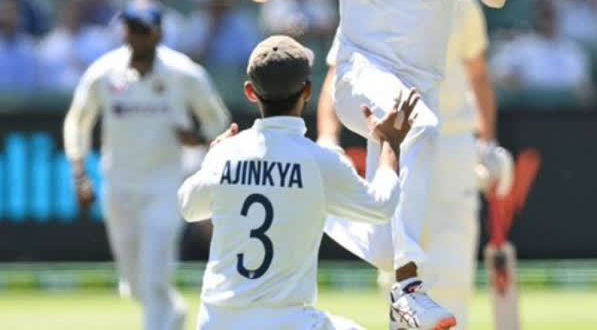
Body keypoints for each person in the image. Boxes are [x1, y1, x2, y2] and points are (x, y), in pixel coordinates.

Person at [241, 0, 507, 328]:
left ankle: (329, 207)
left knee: (387, 235)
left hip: (417, 88)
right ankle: (407, 291)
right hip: (359, 78)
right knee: (425, 125)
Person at [179, 35, 418, 330]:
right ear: (308, 90)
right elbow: (382, 206)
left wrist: (213, 157)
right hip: (289, 321)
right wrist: (390, 144)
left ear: (250, 93)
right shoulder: (320, 161)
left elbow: (188, 207)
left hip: (216, 320)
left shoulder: (226, 152)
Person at [317, 0, 515, 329]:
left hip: (453, 144)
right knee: (394, 259)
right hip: (396, 145)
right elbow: (338, 73)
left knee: (452, 261)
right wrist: (327, 138)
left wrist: (488, 142)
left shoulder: (461, 1)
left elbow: (477, 74)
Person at [63, 0, 231, 330]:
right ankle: (173, 311)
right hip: (119, 185)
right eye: (130, 29)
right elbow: (77, 122)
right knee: (134, 286)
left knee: (155, 277)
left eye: (142, 31)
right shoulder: (105, 72)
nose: (135, 37)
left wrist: (196, 140)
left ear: (158, 34)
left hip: (165, 185)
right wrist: (80, 173)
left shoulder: (184, 74)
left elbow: (219, 125)